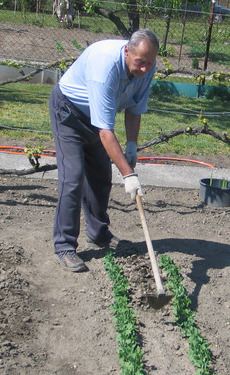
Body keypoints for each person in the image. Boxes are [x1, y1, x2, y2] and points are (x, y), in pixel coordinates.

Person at [49, 28, 159, 272]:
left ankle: (98, 234)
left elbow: (134, 108)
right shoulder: (105, 68)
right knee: (73, 178)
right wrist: (129, 175)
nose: (144, 69)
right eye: (140, 62)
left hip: (97, 119)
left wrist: (132, 144)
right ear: (127, 51)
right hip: (69, 113)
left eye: (149, 64)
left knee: (100, 177)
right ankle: (65, 245)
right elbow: (105, 132)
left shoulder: (147, 67)